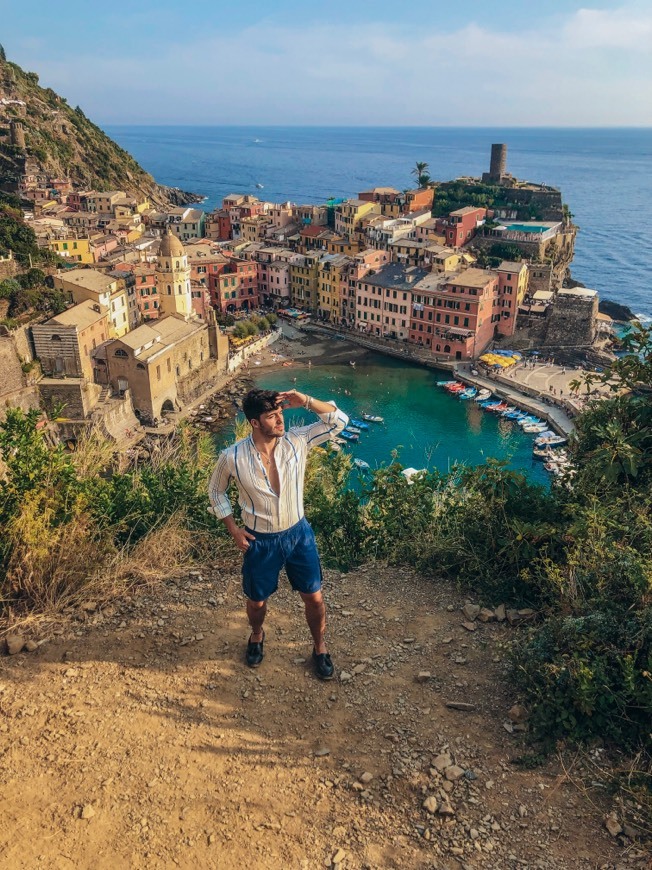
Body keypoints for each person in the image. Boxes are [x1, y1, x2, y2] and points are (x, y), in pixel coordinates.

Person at [208, 388, 349, 680]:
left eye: (280, 413)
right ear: (255, 423)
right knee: (257, 601)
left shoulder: (298, 440)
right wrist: (233, 529)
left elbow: (339, 422)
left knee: (314, 597)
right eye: (271, 416)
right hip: (260, 540)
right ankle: (257, 635)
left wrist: (308, 401)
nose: (280, 420)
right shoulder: (232, 457)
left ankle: (320, 647)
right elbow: (215, 491)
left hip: (299, 534)